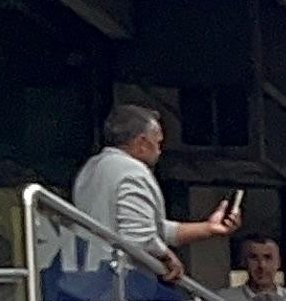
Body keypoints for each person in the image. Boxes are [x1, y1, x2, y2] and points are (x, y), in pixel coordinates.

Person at [69, 103, 235, 283]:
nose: (160, 150)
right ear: (141, 143)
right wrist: (166, 255)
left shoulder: (90, 168)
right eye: (157, 142)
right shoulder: (132, 171)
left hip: (87, 277)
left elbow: (153, 228)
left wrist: (208, 228)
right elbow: (139, 237)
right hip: (121, 284)